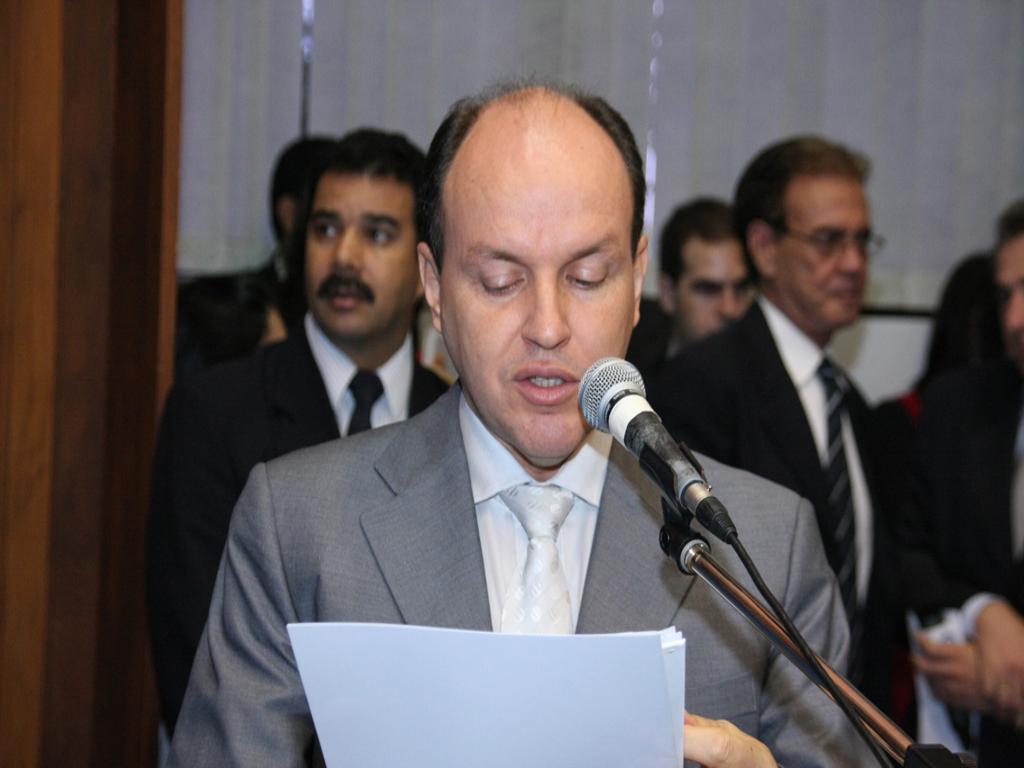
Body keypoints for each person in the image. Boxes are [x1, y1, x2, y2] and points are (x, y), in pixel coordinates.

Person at [166, 83, 872, 766]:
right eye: (501, 280)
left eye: (587, 277)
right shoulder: (300, 526)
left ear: (636, 280)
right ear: (434, 287)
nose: (547, 326)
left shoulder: (766, 548)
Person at [146, 128, 449, 734]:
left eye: (377, 234)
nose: (344, 258)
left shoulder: (455, 419)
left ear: (427, 272)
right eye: (326, 229)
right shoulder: (214, 414)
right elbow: (199, 669)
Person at [650, 136, 900, 711]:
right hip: (745, 722)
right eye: (829, 240)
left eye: (862, 241)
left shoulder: (853, 407)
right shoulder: (702, 385)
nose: (854, 263)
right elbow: (691, 587)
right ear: (763, 248)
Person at [901, 199, 1024, 764]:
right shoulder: (960, 406)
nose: (1014, 319)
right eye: (1004, 296)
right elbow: (910, 553)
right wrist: (981, 610)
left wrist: (1007, 685)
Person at [627, 198, 752, 379]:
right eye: (709, 290)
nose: (730, 309)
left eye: (740, 288)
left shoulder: (768, 368)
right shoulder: (628, 350)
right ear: (669, 294)